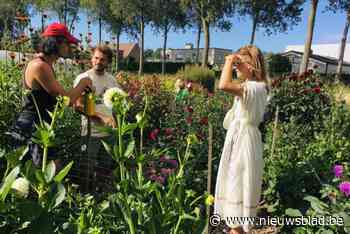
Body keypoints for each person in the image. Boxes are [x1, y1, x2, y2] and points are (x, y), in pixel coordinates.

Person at [6, 23, 93, 167]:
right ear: (55, 43)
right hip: (32, 129)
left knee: (50, 172)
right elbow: (65, 100)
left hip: (42, 128)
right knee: (40, 177)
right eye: (67, 43)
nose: (69, 47)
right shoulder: (39, 66)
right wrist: (83, 83)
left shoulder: (46, 65)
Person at [214, 45, 269, 234]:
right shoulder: (256, 87)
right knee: (237, 184)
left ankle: (236, 229)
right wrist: (236, 62)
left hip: (244, 142)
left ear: (252, 65)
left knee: (238, 183)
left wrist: (229, 61)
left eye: (239, 63)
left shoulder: (253, 87)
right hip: (243, 139)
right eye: (235, 63)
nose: (236, 67)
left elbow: (223, 85)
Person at [73, 45, 122, 192]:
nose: (98, 61)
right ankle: (84, 199)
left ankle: (99, 196)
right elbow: (78, 106)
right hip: (90, 133)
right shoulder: (84, 78)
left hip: (109, 133)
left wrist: (117, 121)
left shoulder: (112, 81)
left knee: (104, 168)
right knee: (86, 168)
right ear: (91, 59)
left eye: (103, 59)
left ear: (108, 62)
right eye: (96, 58)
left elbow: (117, 105)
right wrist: (101, 118)